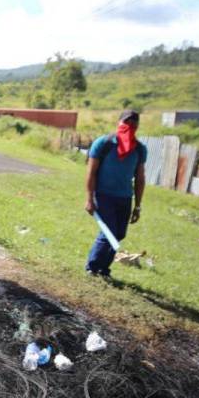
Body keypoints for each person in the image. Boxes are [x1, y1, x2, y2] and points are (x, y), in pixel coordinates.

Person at [84, 109, 147, 278]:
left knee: (119, 234)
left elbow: (140, 179)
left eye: (134, 124)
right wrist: (89, 198)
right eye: (126, 122)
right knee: (108, 232)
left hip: (125, 198)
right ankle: (93, 267)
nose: (130, 126)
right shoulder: (103, 143)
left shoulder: (139, 149)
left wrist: (138, 206)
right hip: (103, 195)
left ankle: (104, 269)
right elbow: (91, 173)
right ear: (119, 123)